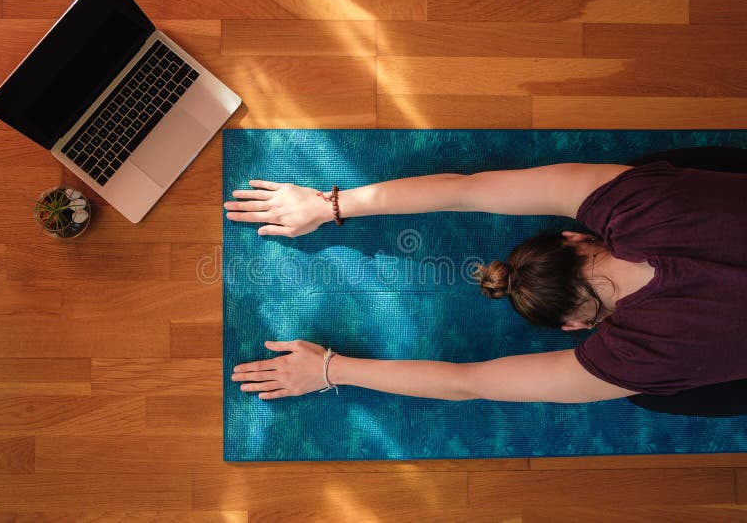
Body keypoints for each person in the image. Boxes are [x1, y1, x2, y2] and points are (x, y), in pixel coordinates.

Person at [225, 154, 747, 416]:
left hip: (647, 367)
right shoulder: (634, 203)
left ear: (571, 325)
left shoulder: (631, 360)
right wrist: (331, 204)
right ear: (573, 236)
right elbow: (468, 192)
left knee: (650, 396)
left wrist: (328, 370)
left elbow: (468, 383)